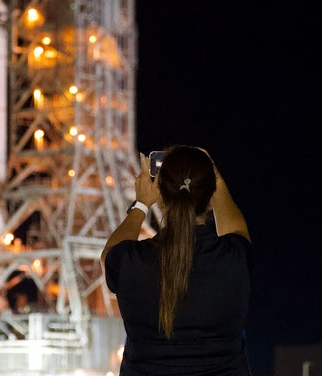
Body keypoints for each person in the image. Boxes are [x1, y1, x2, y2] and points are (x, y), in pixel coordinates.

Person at [101, 145, 253, 375]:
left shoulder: (132, 262)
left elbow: (108, 254)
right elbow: (238, 230)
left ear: (160, 196)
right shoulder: (234, 260)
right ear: (211, 198)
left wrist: (142, 203)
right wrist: (214, 177)